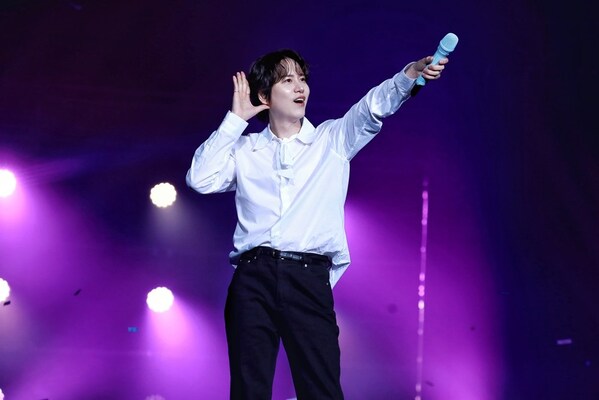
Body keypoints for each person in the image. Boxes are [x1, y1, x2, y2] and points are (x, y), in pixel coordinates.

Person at [186, 48, 448, 400]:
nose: (300, 87)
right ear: (265, 96)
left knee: (320, 389)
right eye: (287, 80)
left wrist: (410, 74)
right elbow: (200, 179)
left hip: (308, 277)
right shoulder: (244, 150)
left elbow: (372, 107)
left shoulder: (331, 140)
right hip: (252, 277)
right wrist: (235, 120)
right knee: (249, 390)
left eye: (302, 79)